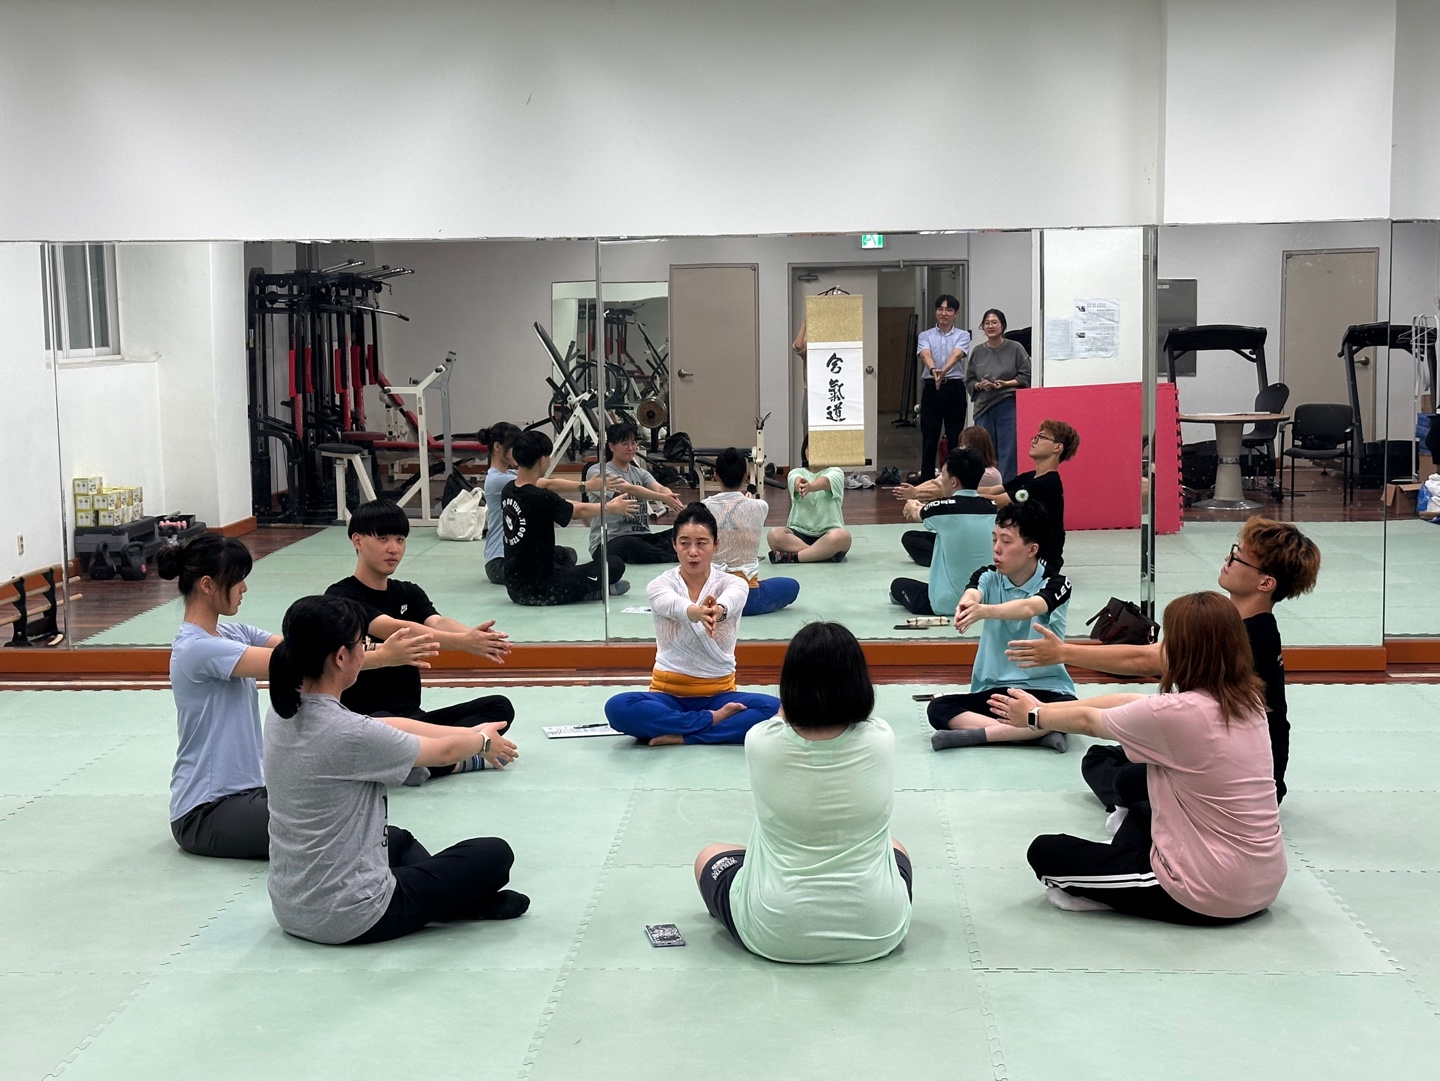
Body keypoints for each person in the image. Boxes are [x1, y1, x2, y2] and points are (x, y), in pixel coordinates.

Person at [990, 592, 1285, 926]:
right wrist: (1042, 708)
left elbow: (1090, 722)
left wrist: (1034, 717)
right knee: (1142, 802)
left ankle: (1111, 893)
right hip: (1265, 882)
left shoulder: (1177, 714)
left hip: (1206, 894)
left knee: (1046, 852)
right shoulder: (1248, 702)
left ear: (1180, 649)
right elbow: (1130, 702)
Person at [264, 595, 527, 945]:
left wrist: (469, 733)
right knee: (494, 854)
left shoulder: (283, 710)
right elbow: (442, 753)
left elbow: (389, 726)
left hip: (292, 908)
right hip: (355, 916)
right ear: (341, 657)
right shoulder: (350, 734)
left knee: (397, 840)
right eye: (362, 644)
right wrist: (481, 743)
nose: (365, 651)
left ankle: (453, 900)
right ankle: (456, 902)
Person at [1006, 516, 1320, 805]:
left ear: (1265, 583)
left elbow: (1144, 660)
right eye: (1233, 551)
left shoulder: (1247, 636)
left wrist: (1062, 657)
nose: (1228, 560)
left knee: (1111, 769)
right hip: (1241, 768)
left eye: (1238, 558)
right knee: (1108, 755)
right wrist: (1045, 710)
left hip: (1241, 777)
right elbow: (1138, 696)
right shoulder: (1241, 626)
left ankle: (1155, 809)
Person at [161, 532, 436, 860]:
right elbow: (298, 662)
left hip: (251, 794)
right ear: (207, 585)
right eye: (237, 580)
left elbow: (307, 647)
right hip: (206, 811)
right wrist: (383, 657)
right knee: (352, 833)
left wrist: (365, 648)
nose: (244, 588)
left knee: (358, 820)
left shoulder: (234, 633)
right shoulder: (197, 649)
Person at [694, 621, 912, 963]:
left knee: (710, 855)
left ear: (790, 684)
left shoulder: (761, 741)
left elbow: (782, 718)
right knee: (896, 847)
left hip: (775, 932)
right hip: (879, 929)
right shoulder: (881, 737)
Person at [326, 499, 518, 785]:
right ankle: (458, 758)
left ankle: (424, 759)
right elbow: (392, 627)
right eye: (383, 539)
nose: (394, 548)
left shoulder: (408, 592)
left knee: (499, 708)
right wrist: (463, 642)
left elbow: (436, 622)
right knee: (385, 730)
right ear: (357, 541)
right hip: (369, 722)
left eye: (400, 539)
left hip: (416, 720)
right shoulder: (341, 596)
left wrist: (474, 636)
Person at [604, 503, 781, 745]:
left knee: (777, 709)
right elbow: (672, 604)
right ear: (674, 545)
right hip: (667, 696)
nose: (693, 552)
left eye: (701, 543)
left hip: (720, 695)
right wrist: (696, 612)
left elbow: (731, 601)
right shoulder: (660, 585)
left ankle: (685, 735)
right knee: (618, 707)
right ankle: (711, 722)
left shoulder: (733, 583)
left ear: (716, 544)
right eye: (685, 543)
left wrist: (717, 611)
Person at [927, 501, 1075, 752]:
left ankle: (980, 735)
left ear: (1032, 549)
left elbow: (1028, 608)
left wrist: (983, 611)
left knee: (1068, 708)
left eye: (1006, 541)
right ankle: (1035, 734)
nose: (996, 548)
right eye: (995, 539)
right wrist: (967, 604)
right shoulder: (987, 575)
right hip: (995, 692)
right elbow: (973, 593)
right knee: (938, 708)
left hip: (1047, 690)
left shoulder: (1057, 584)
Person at [479, 421, 645, 586]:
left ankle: (569, 578)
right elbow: (559, 495)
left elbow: (553, 492)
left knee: (566, 554)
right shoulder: (504, 482)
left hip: (521, 560)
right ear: (497, 447)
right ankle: (583, 584)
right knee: (610, 565)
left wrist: (589, 488)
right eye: (513, 447)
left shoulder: (511, 480)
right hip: (501, 562)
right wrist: (601, 498)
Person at [890, 448, 996, 616]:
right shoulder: (992, 508)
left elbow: (916, 513)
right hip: (986, 601)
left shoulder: (941, 509)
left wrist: (911, 503)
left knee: (898, 585)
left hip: (949, 603)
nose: (941, 479)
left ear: (953, 482)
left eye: (943, 475)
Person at [703, 446, 799, 616]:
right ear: (745, 476)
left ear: (716, 475)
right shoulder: (760, 506)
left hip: (711, 595)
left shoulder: (703, 507)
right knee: (792, 585)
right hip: (748, 597)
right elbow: (741, 514)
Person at [978, 418, 1080, 577]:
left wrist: (951, 494)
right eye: (1035, 437)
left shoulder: (1048, 483)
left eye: (1042, 437)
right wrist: (958, 488)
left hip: (1044, 560)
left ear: (1057, 447)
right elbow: (993, 490)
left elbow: (997, 501)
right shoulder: (1030, 476)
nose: (1034, 441)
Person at [583, 420, 686, 564]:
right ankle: (675, 557)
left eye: (633, 443)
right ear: (612, 446)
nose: (630, 448)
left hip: (642, 537)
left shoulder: (640, 473)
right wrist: (663, 498)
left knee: (680, 533)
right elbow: (628, 488)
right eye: (625, 444)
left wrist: (671, 497)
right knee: (630, 544)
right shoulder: (597, 472)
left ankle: (667, 553)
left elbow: (659, 487)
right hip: (610, 541)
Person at [964, 308, 1031, 479]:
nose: (990, 326)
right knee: (983, 449)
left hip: (1008, 403)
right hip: (983, 407)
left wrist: (1005, 384)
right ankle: (985, 485)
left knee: (1009, 449)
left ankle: (1007, 487)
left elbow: (1026, 376)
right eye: (986, 323)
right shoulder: (977, 351)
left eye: (994, 322)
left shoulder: (1015, 348)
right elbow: (969, 380)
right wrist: (979, 385)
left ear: (1003, 326)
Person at [916, 294, 970, 483]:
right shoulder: (925, 335)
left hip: (954, 388)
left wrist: (942, 371)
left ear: (956, 313)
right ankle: (926, 481)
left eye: (949, 310)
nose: (944, 313)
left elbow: (957, 355)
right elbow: (925, 354)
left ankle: (952, 480)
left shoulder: (963, 335)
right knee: (929, 437)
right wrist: (934, 371)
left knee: (955, 437)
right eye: (940, 309)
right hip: (932, 388)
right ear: (936, 311)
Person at [767, 466, 853, 563]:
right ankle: (823, 555)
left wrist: (810, 487)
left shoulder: (836, 472)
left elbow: (826, 482)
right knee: (774, 535)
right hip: (798, 534)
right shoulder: (795, 472)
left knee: (843, 536)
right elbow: (796, 481)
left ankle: (795, 557)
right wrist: (800, 485)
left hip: (829, 534)